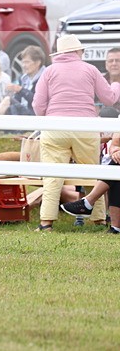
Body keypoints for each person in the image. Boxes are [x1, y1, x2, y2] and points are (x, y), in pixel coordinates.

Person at [31, 34, 119, 232]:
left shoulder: (49, 71)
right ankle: (98, 220)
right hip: (85, 128)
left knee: (52, 176)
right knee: (91, 174)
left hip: (55, 128)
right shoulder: (90, 69)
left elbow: (38, 104)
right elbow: (109, 99)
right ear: (79, 52)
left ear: (59, 53)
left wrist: (50, 115)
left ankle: (46, 223)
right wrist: (116, 85)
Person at [3, 45, 47, 116]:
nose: (23, 65)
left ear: (38, 63)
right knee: (8, 103)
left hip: (35, 114)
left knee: (7, 101)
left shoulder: (44, 77)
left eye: (27, 62)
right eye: (23, 62)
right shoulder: (23, 78)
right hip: (23, 111)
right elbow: (18, 99)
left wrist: (21, 90)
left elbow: (37, 101)